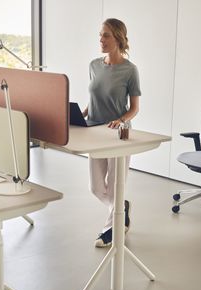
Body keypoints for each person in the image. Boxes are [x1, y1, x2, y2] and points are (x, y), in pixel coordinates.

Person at [83, 18, 141, 248]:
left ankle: (110, 231)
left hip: (118, 135)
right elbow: (93, 98)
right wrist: (81, 113)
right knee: (96, 187)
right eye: (100, 35)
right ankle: (121, 208)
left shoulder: (130, 70)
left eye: (106, 35)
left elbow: (134, 108)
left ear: (118, 38)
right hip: (94, 132)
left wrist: (120, 120)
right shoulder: (94, 65)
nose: (101, 39)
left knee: (115, 184)